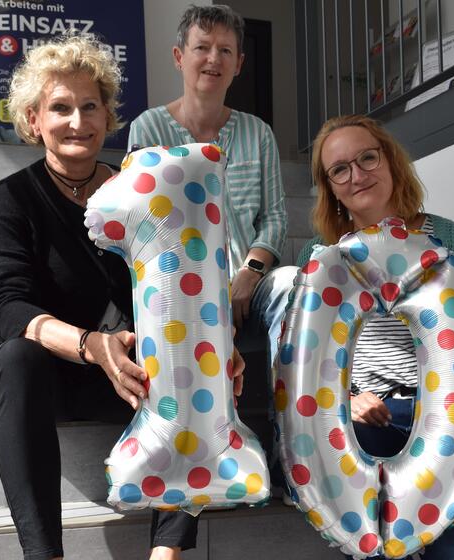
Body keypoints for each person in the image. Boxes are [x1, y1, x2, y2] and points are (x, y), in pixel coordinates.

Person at [0, 34, 244, 560]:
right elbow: (8, 305)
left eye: (90, 106)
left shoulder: (144, 194)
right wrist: (92, 345)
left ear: (109, 115)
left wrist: (216, 345)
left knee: (198, 358)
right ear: (33, 120)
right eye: (60, 108)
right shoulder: (11, 199)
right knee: (17, 356)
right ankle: (43, 554)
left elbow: (188, 287)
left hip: (132, 373)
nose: (77, 121)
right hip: (46, 370)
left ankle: (168, 551)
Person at [298, 114, 454, 560]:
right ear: (330, 188)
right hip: (368, 424)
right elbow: (304, 365)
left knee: (450, 544)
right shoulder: (321, 259)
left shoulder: (448, 240)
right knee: (372, 539)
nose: (357, 174)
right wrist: (344, 401)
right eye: (340, 169)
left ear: (390, 161)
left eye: (368, 157)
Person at [128, 4, 296, 524]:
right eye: (202, 47)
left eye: (225, 50)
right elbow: (140, 224)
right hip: (179, 287)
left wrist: (248, 272)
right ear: (180, 56)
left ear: (239, 63)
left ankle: (296, 454)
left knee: (293, 283)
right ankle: (188, 459)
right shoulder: (149, 127)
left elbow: (274, 220)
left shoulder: (257, 133)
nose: (213, 58)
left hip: (249, 281)